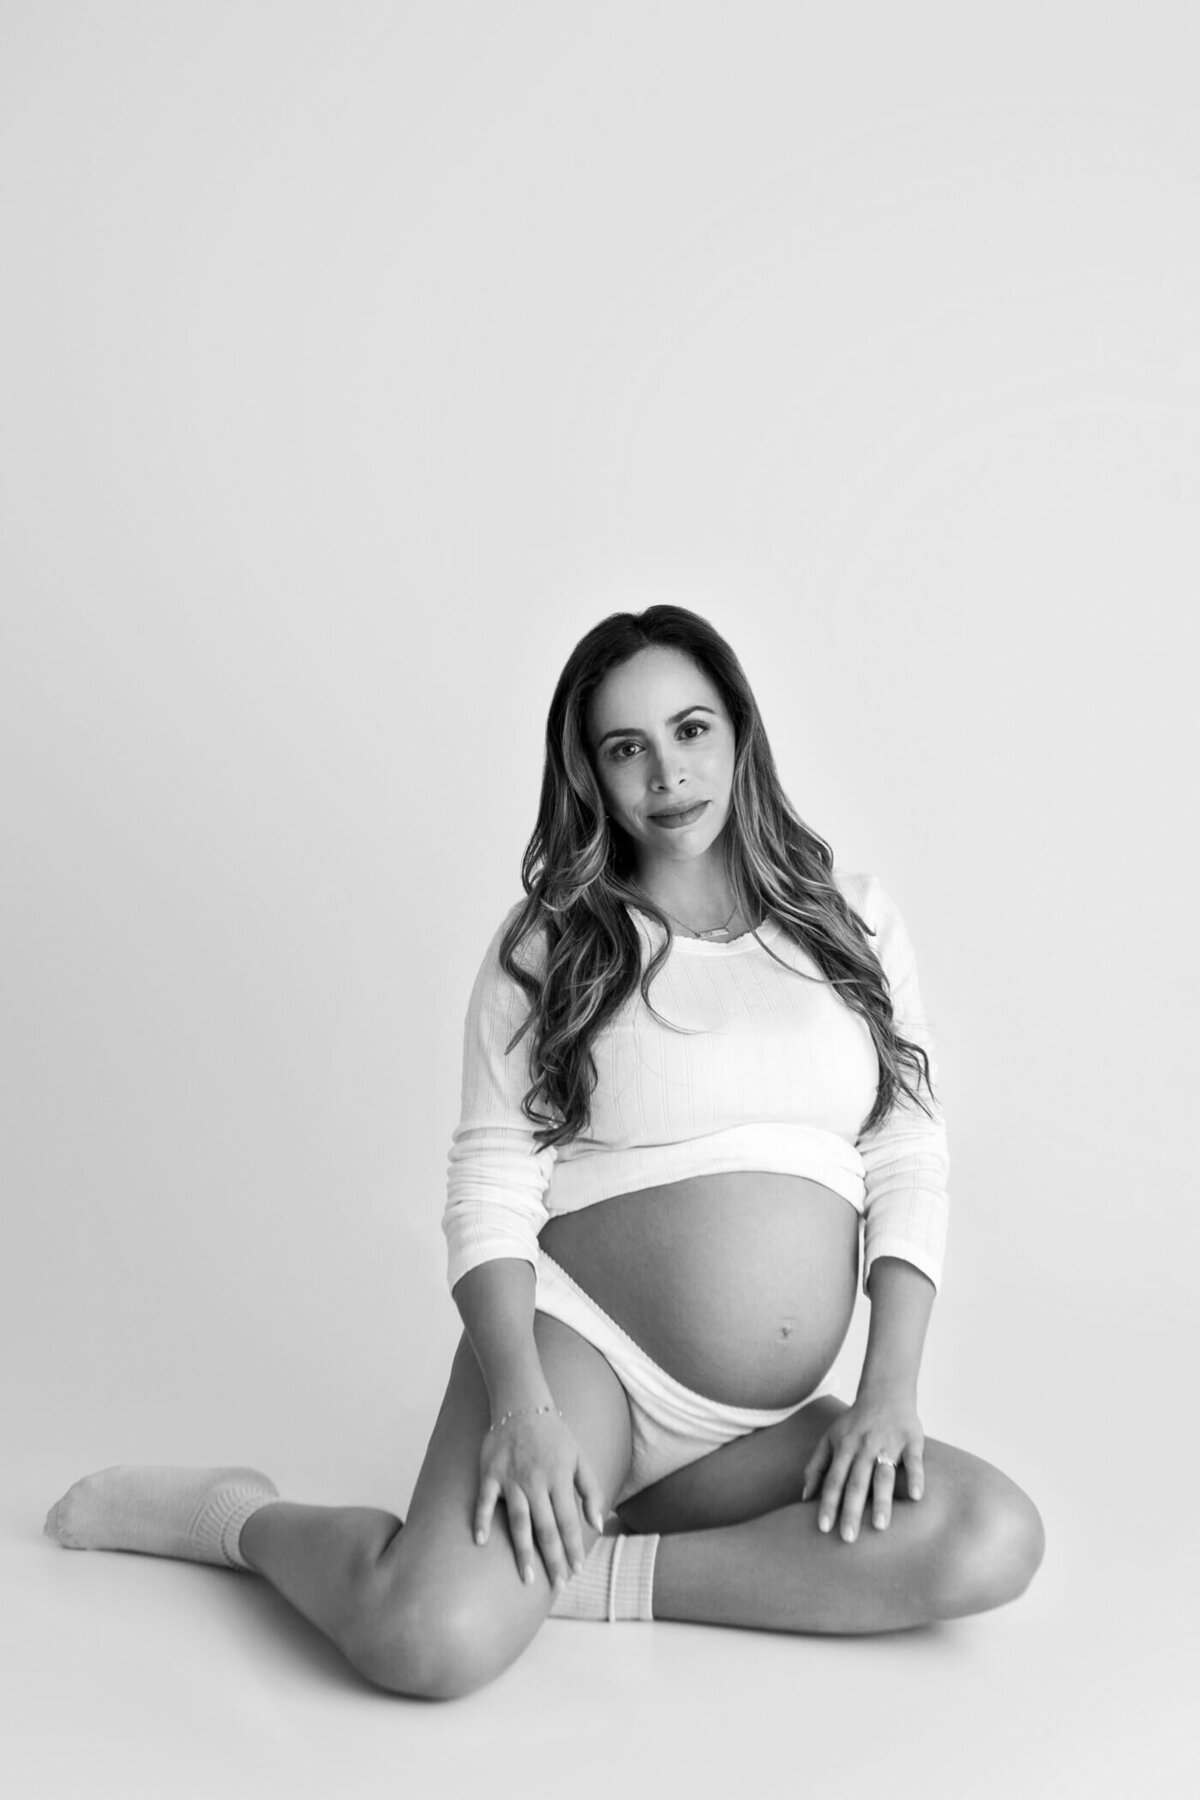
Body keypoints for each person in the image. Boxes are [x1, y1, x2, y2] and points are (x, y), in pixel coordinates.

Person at [44, 605, 1044, 1700]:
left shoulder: (847, 920)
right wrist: (523, 1411)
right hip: (582, 1365)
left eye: (691, 730)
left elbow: (907, 1147)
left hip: (749, 1432)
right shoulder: (554, 944)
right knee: (421, 1643)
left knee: (989, 1536)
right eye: (627, 750)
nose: (667, 773)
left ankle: (587, 1571)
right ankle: (234, 1519)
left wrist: (889, 1393)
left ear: (742, 734)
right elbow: (488, 1185)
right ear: (593, 777)